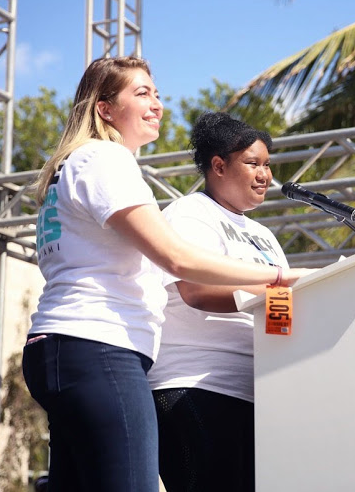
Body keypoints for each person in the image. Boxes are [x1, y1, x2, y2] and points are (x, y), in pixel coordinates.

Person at [22, 57, 311, 492]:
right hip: (103, 349)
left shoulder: (75, 164)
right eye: (141, 93)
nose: (157, 103)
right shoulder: (104, 158)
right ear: (104, 109)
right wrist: (276, 278)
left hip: (72, 350)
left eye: (156, 93)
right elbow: (177, 261)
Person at [147, 112, 289, 492]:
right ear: (219, 166)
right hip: (194, 387)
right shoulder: (190, 213)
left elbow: (281, 312)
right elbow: (194, 291)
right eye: (253, 164)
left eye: (268, 165)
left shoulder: (265, 237)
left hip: (258, 391)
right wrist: (271, 293)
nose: (266, 176)